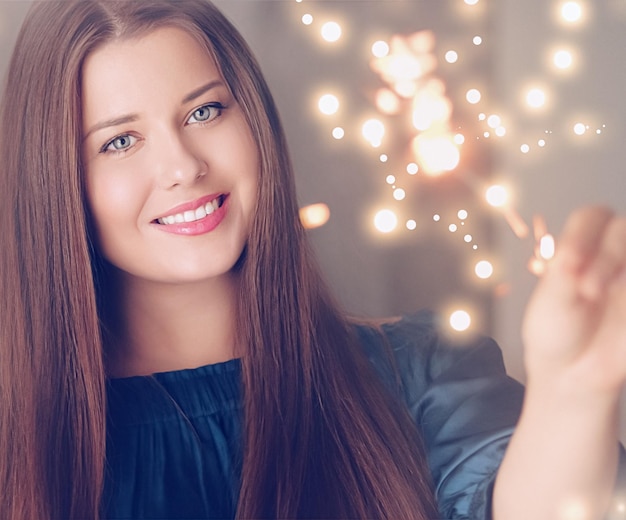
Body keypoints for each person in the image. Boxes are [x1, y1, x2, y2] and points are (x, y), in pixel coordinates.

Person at [0, 1, 624, 519]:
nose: (183, 166)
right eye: (120, 141)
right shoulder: (19, 445)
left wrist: (574, 391)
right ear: (53, 183)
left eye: (205, 111)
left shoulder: (422, 377)